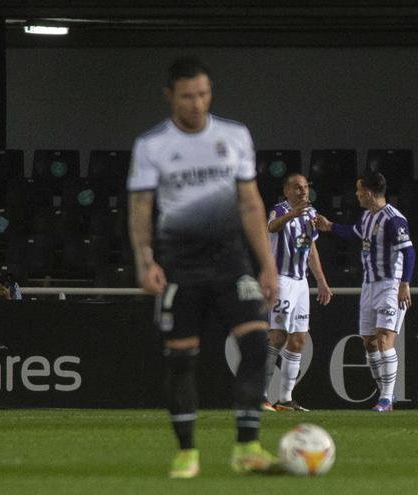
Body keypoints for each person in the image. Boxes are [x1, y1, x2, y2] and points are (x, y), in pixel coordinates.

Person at [127, 56, 279, 479]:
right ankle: (186, 453)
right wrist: (145, 261)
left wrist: (266, 266)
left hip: (232, 262)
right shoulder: (152, 145)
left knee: (255, 346)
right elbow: (140, 207)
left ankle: (247, 447)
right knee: (181, 360)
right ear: (170, 97)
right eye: (187, 96)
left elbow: (250, 202)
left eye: (203, 94)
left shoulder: (234, 136)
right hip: (181, 266)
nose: (197, 103)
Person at [314, 171, 414, 413]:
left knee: (383, 340)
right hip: (369, 285)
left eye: (359, 190)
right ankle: (386, 394)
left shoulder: (394, 219)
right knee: (369, 342)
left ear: (369, 193)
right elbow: (354, 233)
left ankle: (387, 398)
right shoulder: (368, 216)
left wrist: (404, 284)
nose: (356, 194)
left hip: (390, 285)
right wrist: (330, 227)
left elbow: (409, 252)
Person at [262, 173, 333, 412]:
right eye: (297, 188)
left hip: (301, 282)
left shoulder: (311, 214)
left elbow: (311, 248)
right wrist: (293, 214)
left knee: (299, 338)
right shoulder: (279, 210)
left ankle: (285, 398)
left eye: (305, 187)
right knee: (278, 335)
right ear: (286, 191)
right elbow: (270, 227)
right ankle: (260, 396)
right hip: (281, 280)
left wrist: (321, 281)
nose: (303, 191)